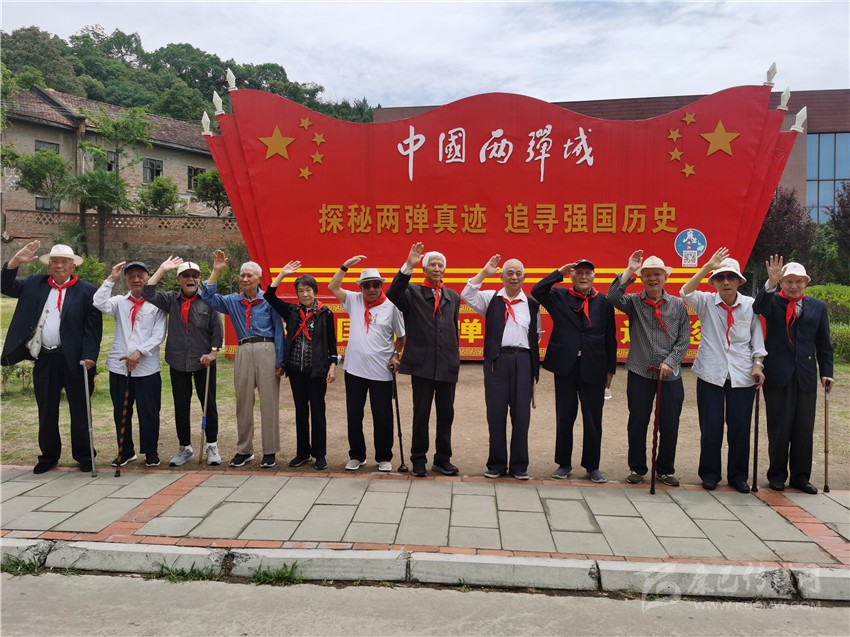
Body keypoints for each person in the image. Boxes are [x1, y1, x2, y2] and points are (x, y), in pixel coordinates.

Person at [1, 241, 103, 474]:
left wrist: (89, 356)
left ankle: (85, 455)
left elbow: (93, 329)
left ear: (73, 266)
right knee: (46, 410)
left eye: (64, 262)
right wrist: (15, 261)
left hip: (75, 360)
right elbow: (4, 285)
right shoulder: (34, 284)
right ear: (48, 265)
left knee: (80, 410)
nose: (58, 266)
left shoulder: (88, 291)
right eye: (54, 261)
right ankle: (48, 456)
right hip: (45, 357)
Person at [680, 248, 766, 493]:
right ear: (714, 282)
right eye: (720, 277)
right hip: (711, 373)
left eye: (731, 277)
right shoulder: (706, 302)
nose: (726, 282)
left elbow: (757, 340)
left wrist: (758, 365)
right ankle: (709, 474)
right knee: (711, 427)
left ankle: (738, 476)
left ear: (739, 281)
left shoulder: (750, 305)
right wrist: (707, 267)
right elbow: (685, 292)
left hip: (742, 375)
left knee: (740, 427)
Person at [608, 251, 689, 486]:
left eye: (657, 274)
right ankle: (637, 468)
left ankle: (665, 469)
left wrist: (670, 361)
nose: (652, 279)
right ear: (642, 279)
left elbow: (684, 339)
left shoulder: (677, 305)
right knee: (638, 421)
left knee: (669, 423)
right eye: (647, 275)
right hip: (640, 371)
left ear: (665, 277)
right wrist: (630, 270)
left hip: (669, 374)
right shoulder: (634, 302)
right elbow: (612, 296)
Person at [753, 256, 833, 494]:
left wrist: (827, 372)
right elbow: (758, 307)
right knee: (779, 428)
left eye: (798, 281)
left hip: (805, 375)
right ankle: (777, 475)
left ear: (806, 282)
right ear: (782, 282)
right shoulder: (772, 302)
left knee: (803, 429)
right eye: (788, 281)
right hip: (778, 375)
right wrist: (770, 282)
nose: (793, 286)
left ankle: (800, 477)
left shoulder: (818, 307)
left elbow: (824, 344)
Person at [532, 258, 616, 483]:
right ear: (571, 276)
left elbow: (610, 337)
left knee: (593, 418)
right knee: (565, 416)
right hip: (566, 366)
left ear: (594, 276)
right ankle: (564, 464)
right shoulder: (559, 296)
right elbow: (537, 290)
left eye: (588, 273)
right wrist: (558, 272)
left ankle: (592, 466)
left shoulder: (604, 302)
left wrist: (610, 369)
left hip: (594, 366)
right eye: (579, 272)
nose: (583, 277)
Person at [201, 250, 284, 468]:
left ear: (259, 279)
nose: (245, 279)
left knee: (269, 402)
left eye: (249, 275)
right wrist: (216, 271)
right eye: (242, 275)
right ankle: (244, 450)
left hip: (267, 348)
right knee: (243, 402)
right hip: (244, 349)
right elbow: (207, 297)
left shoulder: (269, 301)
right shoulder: (232, 301)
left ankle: (270, 451)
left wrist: (279, 361)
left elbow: (278, 332)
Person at [462, 255, 539, 479]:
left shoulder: (531, 304)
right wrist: (484, 273)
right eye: (509, 273)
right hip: (497, 361)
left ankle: (519, 466)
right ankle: (496, 464)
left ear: (524, 277)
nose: (514, 277)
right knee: (495, 414)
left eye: (518, 273)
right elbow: (467, 294)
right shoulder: (491, 298)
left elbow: (535, 335)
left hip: (523, 361)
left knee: (521, 416)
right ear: (502, 277)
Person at [387, 242, 461, 477]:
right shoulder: (413, 293)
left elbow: (454, 329)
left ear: (445, 270)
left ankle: (442, 459)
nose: (437, 268)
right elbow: (393, 294)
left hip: (447, 365)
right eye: (432, 264)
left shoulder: (453, 297)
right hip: (422, 365)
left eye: (440, 265)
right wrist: (408, 265)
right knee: (421, 414)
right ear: (424, 269)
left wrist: (455, 358)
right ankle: (418, 458)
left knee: (446, 414)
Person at [143, 257, 224, 467]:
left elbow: (217, 329)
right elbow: (147, 292)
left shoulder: (208, 299)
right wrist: (162, 269)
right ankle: (185, 447)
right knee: (181, 405)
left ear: (199, 279)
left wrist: (213, 353)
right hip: (178, 360)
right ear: (178, 279)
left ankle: (212, 445)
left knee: (208, 405)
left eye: (194, 276)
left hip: (204, 361)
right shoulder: (170, 299)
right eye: (186, 276)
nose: (191, 279)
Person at [329, 256, 405, 472]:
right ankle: (357, 455)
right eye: (366, 285)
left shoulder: (392, 307)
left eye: (375, 285)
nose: (371, 289)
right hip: (354, 370)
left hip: (381, 371)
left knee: (383, 416)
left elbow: (401, 336)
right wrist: (345, 266)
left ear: (381, 286)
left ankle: (384, 457)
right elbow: (333, 286)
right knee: (354, 415)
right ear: (361, 288)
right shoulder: (353, 300)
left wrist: (396, 355)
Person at [94, 260, 167, 467]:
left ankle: (151, 451)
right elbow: (98, 302)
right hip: (119, 367)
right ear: (126, 280)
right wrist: (111, 278)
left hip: (147, 368)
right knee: (121, 411)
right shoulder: (119, 302)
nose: (136, 280)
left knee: (149, 412)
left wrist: (138, 352)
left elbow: (158, 335)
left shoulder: (157, 303)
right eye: (131, 276)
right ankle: (125, 451)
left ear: (148, 277)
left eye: (140, 276)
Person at [266, 261, 337, 471]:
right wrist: (282, 274)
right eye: (300, 290)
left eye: (308, 290)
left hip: (317, 371)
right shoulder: (292, 311)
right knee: (300, 411)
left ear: (315, 291)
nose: (305, 294)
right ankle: (302, 453)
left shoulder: (325, 313)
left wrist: (333, 365)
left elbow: (332, 344)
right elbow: (269, 296)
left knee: (318, 412)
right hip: (296, 370)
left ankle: (320, 455)